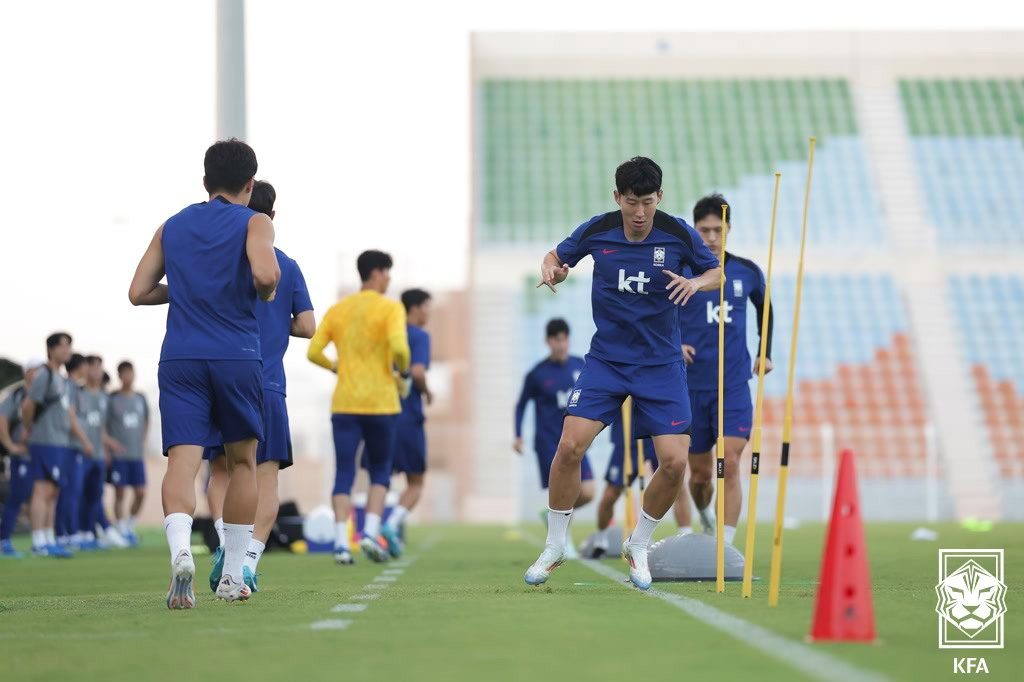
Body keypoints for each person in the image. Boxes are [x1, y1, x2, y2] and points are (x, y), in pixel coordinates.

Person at [524, 157, 721, 589]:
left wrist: (695, 283)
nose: (639, 213)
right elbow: (557, 256)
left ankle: (639, 542)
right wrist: (552, 268)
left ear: (659, 199)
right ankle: (556, 544)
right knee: (570, 446)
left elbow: (716, 271)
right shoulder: (599, 229)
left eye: (647, 203)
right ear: (618, 198)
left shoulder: (676, 234)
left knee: (674, 463)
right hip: (607, 362)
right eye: (631, 202)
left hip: (661, 365)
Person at [129, 138, 280, 608]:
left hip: (180, 359)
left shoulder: (171, 226)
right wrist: (262, 292)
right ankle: (233, 575)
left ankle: (181, 554)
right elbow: (267, 275)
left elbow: (138, 291)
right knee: (241, 463)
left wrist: (190, 289)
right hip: (236, 355)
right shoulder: (256, 221)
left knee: (183, 462)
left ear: (204, 181)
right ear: (249, 184)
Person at [205, 180, 315, 593]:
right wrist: (277, 326)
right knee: (267, 479)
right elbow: (308, 326)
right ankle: (248, 560)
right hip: (268, 384)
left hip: (222, 380)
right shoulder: (287, 265)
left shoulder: (223, 262)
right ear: (272, 217)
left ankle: (222, 542)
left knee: (220, 471)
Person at [678, 194, 772, 545]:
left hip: (732, 385)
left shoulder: (747, 272)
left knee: (729, 462)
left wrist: (765, 352)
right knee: (700, 476)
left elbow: (766, 309)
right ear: (694, 230)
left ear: (729, 228)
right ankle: (705, 516)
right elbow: (655, 316)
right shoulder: (683, 272)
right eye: (705, 230)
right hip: (690, 387)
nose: (713, 237)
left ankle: (725, 547)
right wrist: (674, 345)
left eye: (719, 229)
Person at [308, 250, 409, 565]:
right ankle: (369, 534)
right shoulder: (390, 308)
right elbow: (401, 349)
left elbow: (313, 351)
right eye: (388, 273)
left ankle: (340, 542)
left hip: (345, 404)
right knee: (380, 472)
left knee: (344, 473)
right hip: (381, 403)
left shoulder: (338, 310)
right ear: (377, 273)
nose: (389, 279)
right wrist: (400, 371)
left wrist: (336, 367)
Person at [513, 318, 594, 558]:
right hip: (548, 441)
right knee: (563, 489)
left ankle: (553, 516)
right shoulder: (537, 374)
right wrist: (517, 435)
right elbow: (521, 405)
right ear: (548, 342)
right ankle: (561, 542)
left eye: (564, 338)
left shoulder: (581, 365)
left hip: (577, 439)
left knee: (588, 492)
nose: (561, 344)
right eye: (556, 339)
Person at [380, 288, 432, 555]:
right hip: (408, 416)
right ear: (415, 308)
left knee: (380, 479)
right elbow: (418, 371)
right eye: (427, 307)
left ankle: (371, 533)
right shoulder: (419, 336)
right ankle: (391, 525)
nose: (429, 312)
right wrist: (427, 391)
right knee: (416, 482)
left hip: (380, 414)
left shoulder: (388, 332)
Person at [21, 332, 79, 558]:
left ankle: (48, 538)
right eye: (63, 346)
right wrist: (30, 429)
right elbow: (28, 405)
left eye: (69, 346)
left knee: (52, 491)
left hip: (60, 442)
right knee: (41, 490)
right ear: (51, 349)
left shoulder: (62, 379)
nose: (67, 351)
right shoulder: (44, 374)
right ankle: (38, 541)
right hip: (45, 441)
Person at [0, 358, 44, 558]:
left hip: (41, 454)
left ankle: (41, 541)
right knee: (17, 497)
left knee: (42, 497)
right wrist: (10, 445)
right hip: (22, 456)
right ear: (27, 372)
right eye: (36, 370)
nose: (39, 374)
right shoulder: (17, 395)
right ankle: (4, 541)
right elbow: (2, 419)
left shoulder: (45, 394)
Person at [107, 361, 150, 546]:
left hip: (136, 454)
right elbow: (103, 424)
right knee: (120, 492)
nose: (128, 376)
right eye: (124, 373)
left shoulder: (140, 398)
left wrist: (143, 441)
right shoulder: (113, 399)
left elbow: (146, 421)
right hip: (119, 456)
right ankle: (121, 527)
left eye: (130, 373)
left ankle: (130, 524)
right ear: (119, 376)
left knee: (141, 492)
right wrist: (111, 445)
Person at [77, 356, 117, 551]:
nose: (97, 371)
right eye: (93, 367)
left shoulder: (103, 397)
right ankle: (75, 532)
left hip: (99, 455)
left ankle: (89, 532)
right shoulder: (78, 393)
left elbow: (102, 428)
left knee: (95, 495)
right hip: (81, 453)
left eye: (100, 367)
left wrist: (108, 447)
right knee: (77, 494)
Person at [55, 354, 93, 548]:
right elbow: (71, 417)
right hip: (70, 446)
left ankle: (69, 532)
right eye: (86, 365)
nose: (88, 369)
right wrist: (85, 441)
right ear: (79, 366)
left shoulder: (77, 388)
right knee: (68, 492)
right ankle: (65, 533)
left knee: (73, 492)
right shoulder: (67, 386)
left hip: (74, 447)